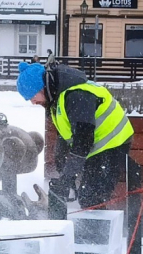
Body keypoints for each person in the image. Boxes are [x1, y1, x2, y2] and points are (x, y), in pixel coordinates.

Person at [16, 61, 134, 218]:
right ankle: (91, 232)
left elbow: (83, 140)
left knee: (91, 196)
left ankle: (96, 238)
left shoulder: (76, 95)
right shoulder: (59, 97)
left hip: (113, 143)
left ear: (41, 87)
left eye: (32, 96)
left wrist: (68, 176)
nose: (33, 102)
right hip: (97, 145)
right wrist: (64, 171)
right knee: (87, 193)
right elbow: (66, 137)